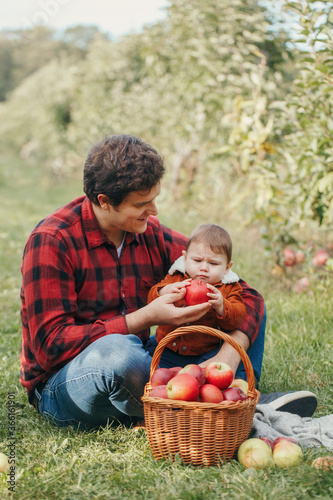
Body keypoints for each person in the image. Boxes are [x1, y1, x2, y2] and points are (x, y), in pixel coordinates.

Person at [19, 134, 317, 429]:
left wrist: (229, 354)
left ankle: (209, 397)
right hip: (67, 383)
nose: (154, 211)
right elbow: (51, 346)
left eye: (154, 200)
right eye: (142, 204)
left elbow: (246, 292)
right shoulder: (52, 241)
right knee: (119, 355)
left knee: (236, 303)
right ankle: (236, 408)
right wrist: (146, 317)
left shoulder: (148, 233)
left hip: (142, 357)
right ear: (104, 201)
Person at [147, 223, 247, 356]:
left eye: (213, 263)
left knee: (210, 369)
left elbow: (238, 319)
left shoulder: (229, 287)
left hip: (205, 352)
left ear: (227, 267)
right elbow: (151, 300)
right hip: (168, 345)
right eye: (197, 260)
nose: (204, 268)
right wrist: (165, 291)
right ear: (185, 257)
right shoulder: (176, 278)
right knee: (148, 360)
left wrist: (222, 306)